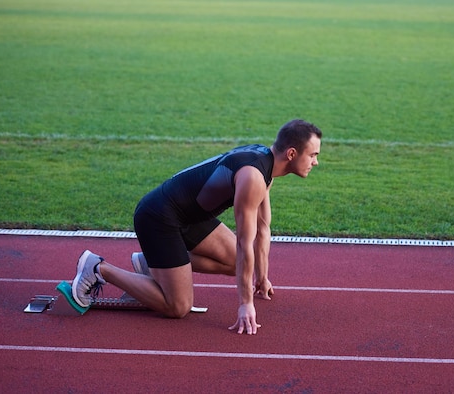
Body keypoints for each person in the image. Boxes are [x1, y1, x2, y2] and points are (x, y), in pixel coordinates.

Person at [71, 119, 322, 335]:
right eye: (313, 155)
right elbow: (245, 242)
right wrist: (245, 303)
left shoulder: (265, 163)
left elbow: (263, 227)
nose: (315, 162)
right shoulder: (253, 176)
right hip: (160, 217)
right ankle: (98, 267)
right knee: (177, 307)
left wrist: (262, 277)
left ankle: (151, 265)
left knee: (242, 262)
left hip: (190, 217)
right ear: (291, 154)